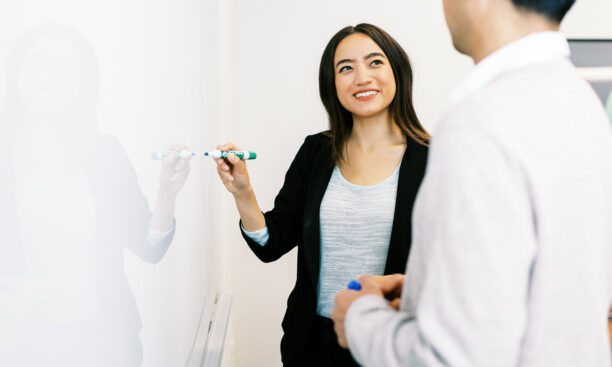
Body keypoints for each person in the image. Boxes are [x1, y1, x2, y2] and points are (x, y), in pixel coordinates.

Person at [331, 1, 612, 366]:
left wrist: (359, 318)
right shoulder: (583, 102)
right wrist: (427, 286)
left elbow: (453, 358)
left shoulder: (477, 125)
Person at [213, 23, 429, 366]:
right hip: (311, 345)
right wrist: (243, 192)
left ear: (397, 71)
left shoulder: (433, 160)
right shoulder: (317, 152)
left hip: (390, 346)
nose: (361, 77)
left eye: (375, 62)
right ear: (332, 84)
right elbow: (272, 244)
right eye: (346, 68)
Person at [0, 23, 191, 366]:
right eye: (37, 62)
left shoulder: (104, 153)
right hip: (18, 346)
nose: (47, 77)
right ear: (17, 71)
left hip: (104, 343)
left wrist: (167, 193)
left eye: (64, 67)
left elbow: (147, 247)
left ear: (83, 84)